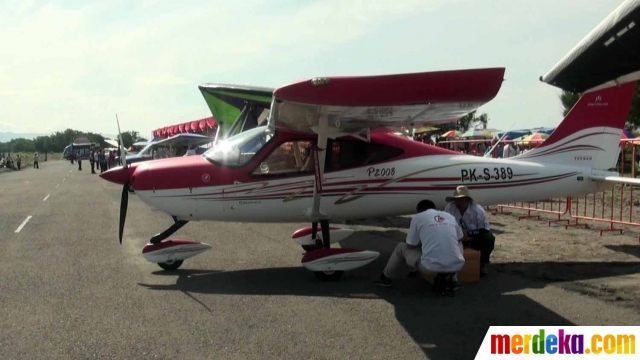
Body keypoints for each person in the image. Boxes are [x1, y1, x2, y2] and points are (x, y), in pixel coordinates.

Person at [373, 200, 465, 287]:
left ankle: (385, 277)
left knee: (401, 247)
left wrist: (424, 242)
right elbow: (461, 237)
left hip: (430, 268)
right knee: (458, 242)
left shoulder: (418, 217)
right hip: (456, 266)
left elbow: (410, 244)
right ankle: (453, 280)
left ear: (419, 211)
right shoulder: (449, 216)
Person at [443, 186, 495, 276]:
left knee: (488, 238)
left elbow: (484, 230)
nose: (457, 203)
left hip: (474, 238)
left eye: (460, 200)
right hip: (455, 238)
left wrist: (469, 234)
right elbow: (444, 226)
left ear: (467, 200)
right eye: (456, 200)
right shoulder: (449, 208)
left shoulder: (478, 210)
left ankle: (482, 264)